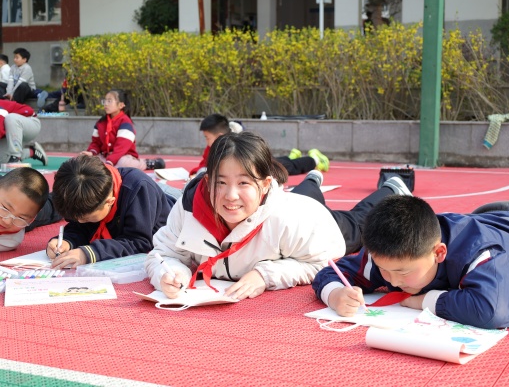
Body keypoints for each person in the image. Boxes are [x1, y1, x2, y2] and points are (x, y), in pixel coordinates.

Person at [313, 195, 509, 329]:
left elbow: (494, 312)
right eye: (384, 271)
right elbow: (332, 272)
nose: (392, 281)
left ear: (439, 253)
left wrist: (425, 301)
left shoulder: (477, 253)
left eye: (402, 272)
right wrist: (335, 294)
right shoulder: (389, 252)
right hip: (490, 215)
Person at [145, 131, 347, 301]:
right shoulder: (188, 208)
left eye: (243, 183)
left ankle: (314, 180)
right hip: (282, 207)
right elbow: (163, 254)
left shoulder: (291, 219)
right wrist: (170, 273)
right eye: (221, 182)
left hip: (321, 220)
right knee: (305, 192)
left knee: (356, 219)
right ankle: (311, 181)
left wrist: (264, 275)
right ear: (207, 181)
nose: (231, 195)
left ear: (265, 184)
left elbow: (322, 263)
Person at [45, 155, 175, 269]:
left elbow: (139, 242)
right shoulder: (89, 198)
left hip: (172, 202)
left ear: (110, 202)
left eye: (86, 218)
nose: (79, 221)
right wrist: (67, 241)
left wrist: (89, 253)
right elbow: (81, 228)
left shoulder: (138, 190)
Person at [188, 113, 329, 178]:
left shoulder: (240, 142)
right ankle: (292, 155)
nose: (206, 141)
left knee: (287, 167)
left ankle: (315, 159)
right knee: (282, 161)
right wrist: (197, 172)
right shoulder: (212, 146)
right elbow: (205, 163)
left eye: (207, 138)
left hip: (262, 164)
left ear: (219, 136)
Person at [80, 89, 165, 170]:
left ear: (121, 105)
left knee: (123, 164)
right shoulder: (100, 122)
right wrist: (91, 152)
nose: (105, 104)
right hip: (106, 157)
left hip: (122, 156)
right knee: (86, 160)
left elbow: (121, 148)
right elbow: (96, 142)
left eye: (109, 101)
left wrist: (110, 161)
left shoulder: (125, 122)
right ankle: (107, 166)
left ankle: (146, 163)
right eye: (104, 101)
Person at [0, 167, 61, 251]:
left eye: (21, 217)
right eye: (5, 208)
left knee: (58, 205)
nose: (7, 221)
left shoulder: (11, 239)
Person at [0, 100, 48, 165]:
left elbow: (0, 130)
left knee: (11, 118)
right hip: (12, 132)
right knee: (2, 158)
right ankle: (32, 151)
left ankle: (15, 158)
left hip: (30, 122)